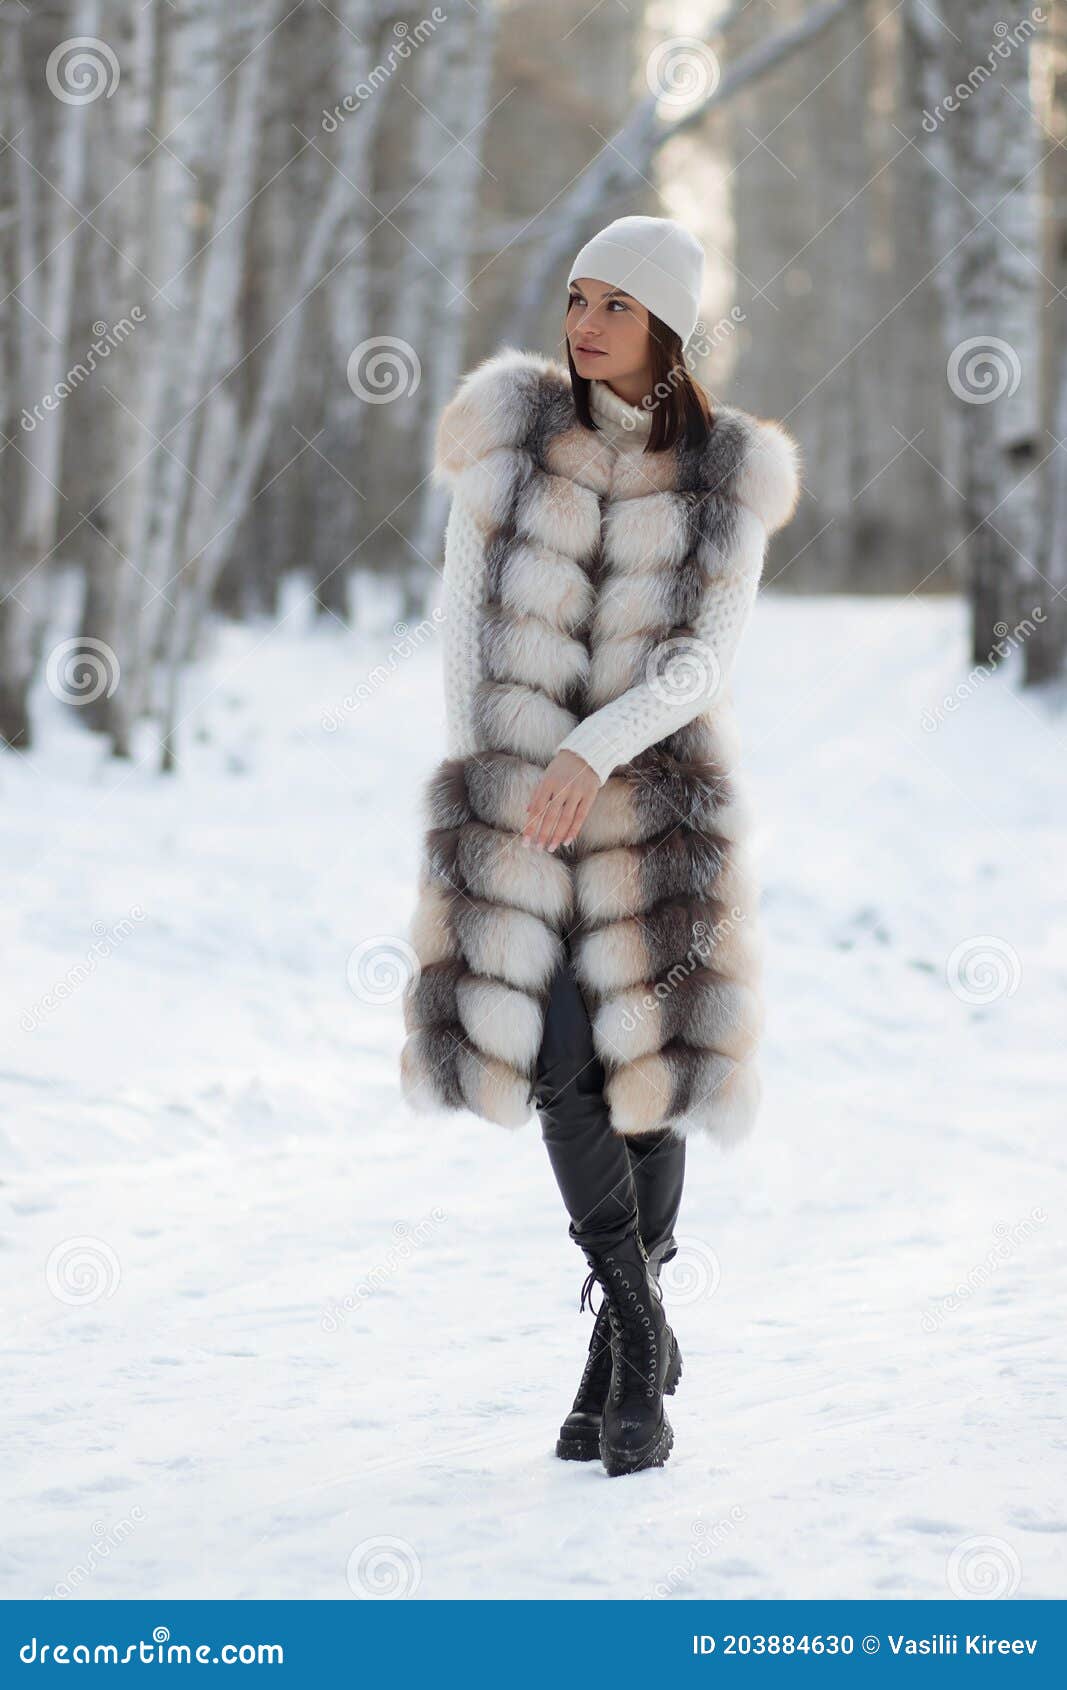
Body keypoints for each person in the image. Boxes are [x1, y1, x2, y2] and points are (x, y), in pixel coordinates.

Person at [400, 215, 801, 1477]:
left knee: (644, 1074)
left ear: (665, 328)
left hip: (650, 807)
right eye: (575, 297)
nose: (580, 323)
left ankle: (618, 1369)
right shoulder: (511, 429)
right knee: (559, 1065)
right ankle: (641, 1329)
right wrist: (502, 773)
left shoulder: (722, 472)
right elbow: (460, 617)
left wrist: (594, 749)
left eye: (611, 305)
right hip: (521, 807)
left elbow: (700, 659)